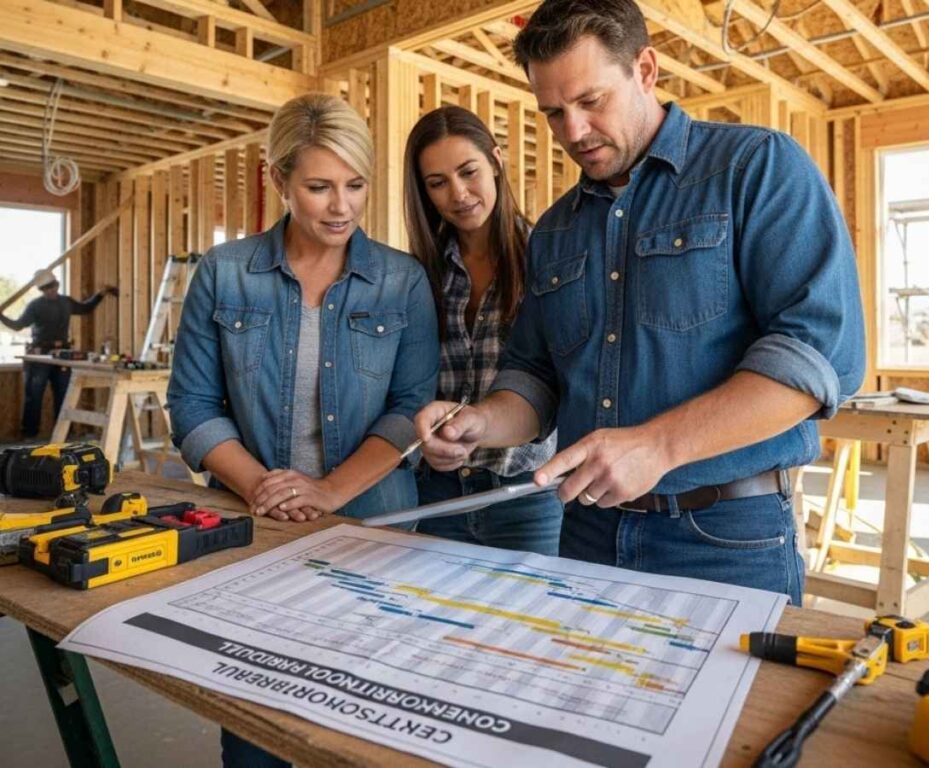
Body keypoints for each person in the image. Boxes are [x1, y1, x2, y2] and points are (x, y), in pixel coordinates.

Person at [415, 0, 865, 607]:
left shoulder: (755, 168)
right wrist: (482, 423)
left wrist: (658, 445)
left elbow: (819, 358)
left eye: (590, 101)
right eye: (553, 112)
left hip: (724, 536)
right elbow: (536, 378)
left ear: (645, 70)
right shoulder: (554, 231)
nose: (572, 132)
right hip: (588, 531)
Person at [167, 93, 439, 768]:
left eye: (355, 185)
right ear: (277, 179)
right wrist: (263, 485)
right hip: (255, 525)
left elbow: (411, 406)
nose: (340, 206)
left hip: (373, 531)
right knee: (254, 723)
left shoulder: (402, 282)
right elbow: (193, 407)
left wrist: (328, 491)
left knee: (363, 723)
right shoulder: (225, 273)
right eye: (318, 187)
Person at [403, 106, 563, 554]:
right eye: (437, 183)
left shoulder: (547, 260)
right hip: (438, 492)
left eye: (468, 171)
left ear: (495, 160)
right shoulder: (420, 275)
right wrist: (425, 445)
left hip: (527, 495)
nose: (459, 193)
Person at [0, 269, 117, 438]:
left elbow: (86, 309)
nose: (52, 290)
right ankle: (29, 436)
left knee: (64, 395)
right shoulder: (35, 306)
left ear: (57, 284)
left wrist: (101, 294)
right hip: (39, 354)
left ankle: (64, 435)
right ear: (41, 290)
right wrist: (2, 317)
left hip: (62, 354)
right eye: (47, 288)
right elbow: (18, 325)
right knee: (34, 396)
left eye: (54, 286)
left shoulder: (66, 302)